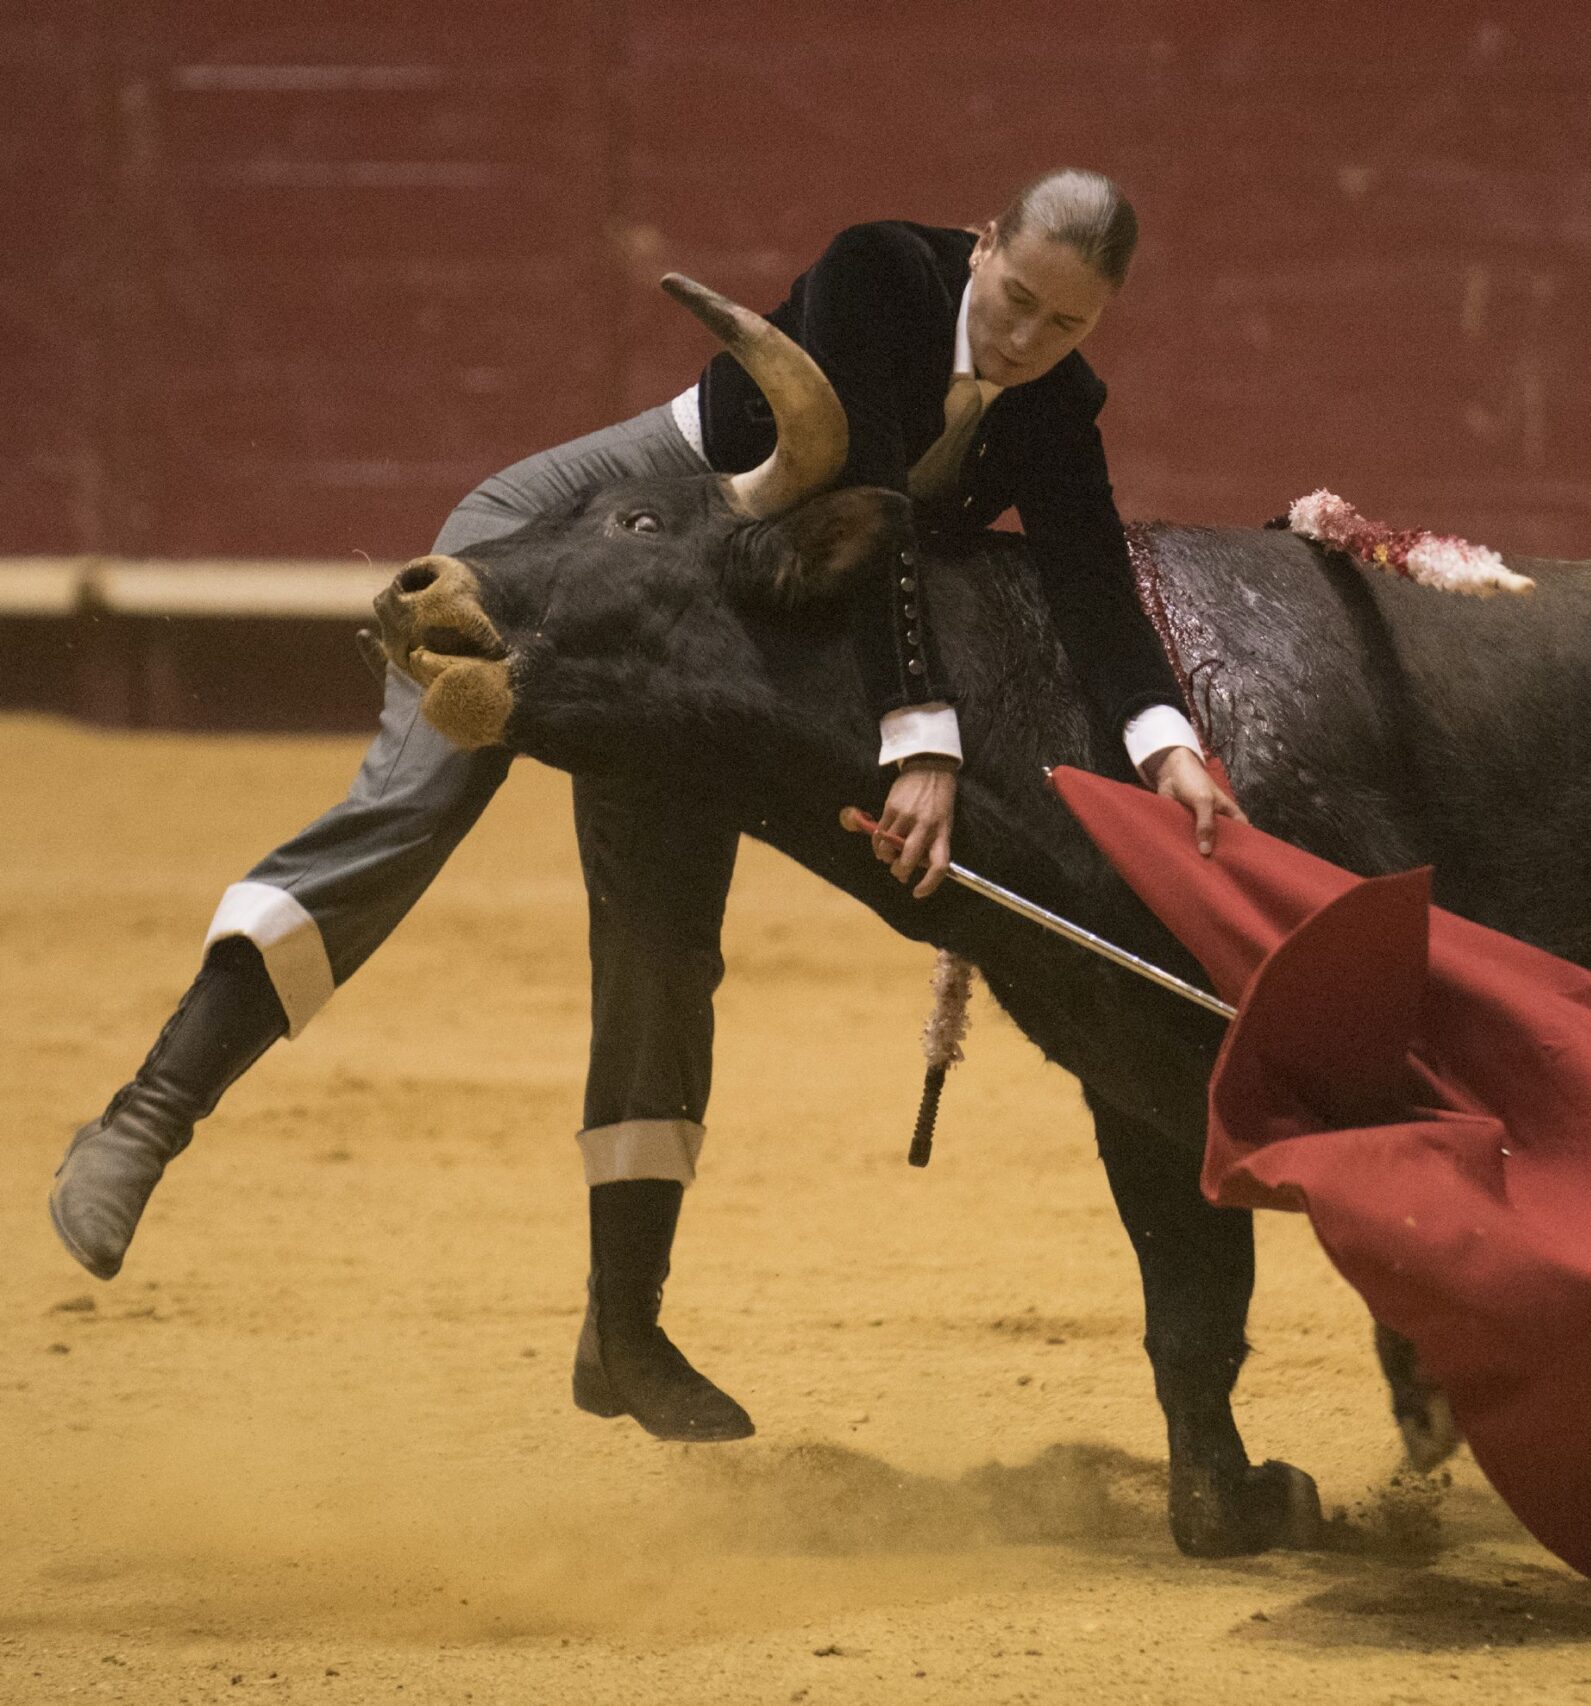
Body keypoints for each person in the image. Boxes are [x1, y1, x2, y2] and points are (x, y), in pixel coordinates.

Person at [50, 167, 1241, 1442]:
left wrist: (1164, 738)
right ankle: (147, 1118)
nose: (1024, 339)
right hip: (573, 544)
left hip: (690, 642)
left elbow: (1088, 577)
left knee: (663, 951)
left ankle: (623, 1329)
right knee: (410, 817)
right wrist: (923, 740)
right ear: (982, 241)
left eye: (1064, 325)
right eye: (1014, 299)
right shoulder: (880, 273)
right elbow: (877, 520)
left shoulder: (1055, 402)